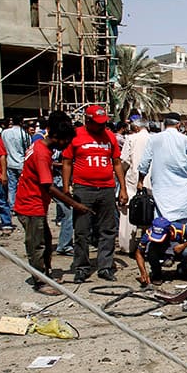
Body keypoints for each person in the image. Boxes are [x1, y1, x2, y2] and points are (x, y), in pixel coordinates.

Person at [13, 111, 89, 295]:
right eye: (65, 141)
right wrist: (74, 204)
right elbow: (48, 186)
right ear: (56, 136)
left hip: (36, 203)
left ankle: (45, 274)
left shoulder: (40, 146)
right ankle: (40, 281)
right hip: (30, 204)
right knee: (37, 245)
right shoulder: (41, 153)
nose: (66, 145)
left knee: (46, 241)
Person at [62, 105, 126, 283]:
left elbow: (116, 163)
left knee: (108, 229)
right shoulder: (76, 135)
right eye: (98, 123)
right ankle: (82, 267)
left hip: (106, 188)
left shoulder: (109, 136)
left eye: (104, 123)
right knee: (82, 230)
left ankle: (105, 267)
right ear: (87, 121)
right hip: (84, 189)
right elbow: (67, 162)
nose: (101, 127)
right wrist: (66, 187)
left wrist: (123, 188)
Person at [137, 112, 187, 228]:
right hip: (183, 189)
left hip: (162, 189)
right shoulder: (186, 140)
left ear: (165, 124)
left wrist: (140, 181)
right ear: (178, 125)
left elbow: (144, 163)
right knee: (185, 223)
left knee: (161, 222)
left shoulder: (154, 139)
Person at [118, 114, 151, 253]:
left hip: (133, 179)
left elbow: (124, 161)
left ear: (136, 127)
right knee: (150, 212)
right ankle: (148, 244)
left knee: (127, 211)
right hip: (152, 181)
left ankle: (127, 246)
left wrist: (120, 176)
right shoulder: (155, 138)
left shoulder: (131, 139)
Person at [134, 216, 187, 286]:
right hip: (159, 249)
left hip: (177, 249)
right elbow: (138, 252)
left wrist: (183, 245)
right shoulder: (149, 232)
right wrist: (143, 273)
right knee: (150, 249)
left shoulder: (180, 228)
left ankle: (182, 271)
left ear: (169, 230)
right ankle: (156, 274)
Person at [1, 116, 31, 208]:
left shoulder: (5, 133)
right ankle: (23, 204)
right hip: (21, 162)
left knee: (11, 186)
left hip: (9, 162)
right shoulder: (24, 134)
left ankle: (12, 205)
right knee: (24, 186)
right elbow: (28, 148)